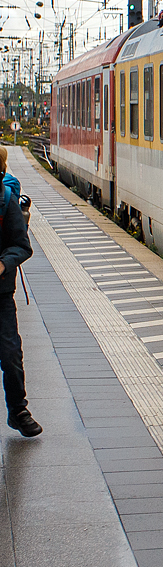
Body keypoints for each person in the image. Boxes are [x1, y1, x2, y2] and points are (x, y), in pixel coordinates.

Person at [0, 146, 37, 437]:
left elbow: (22, 246)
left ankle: (18, 411)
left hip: (0, 294)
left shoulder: (5, 199)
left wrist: (3, 264)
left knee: (11, 354)